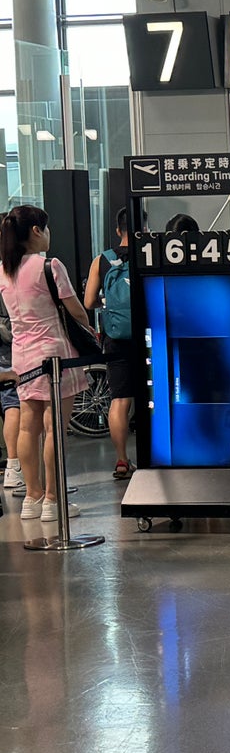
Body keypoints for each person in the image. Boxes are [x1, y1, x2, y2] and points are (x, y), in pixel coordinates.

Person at [0, 206, 93, 521]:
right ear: (36, 231)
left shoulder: (3, 270)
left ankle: (32, 497)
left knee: (28, 426)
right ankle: (54, 500)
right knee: (55, 429)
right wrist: (91, 328)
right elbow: (75, 309)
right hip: (54, 355)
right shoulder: (49, 266)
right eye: (47, 229)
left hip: (22, 356)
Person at [84, 207, 137, 480]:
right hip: (149, 334)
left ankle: (121, 460)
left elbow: (89, 302)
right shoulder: (149, 254)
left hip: (115, 338)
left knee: (119, 400)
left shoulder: (101, 260)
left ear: (118, 230)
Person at [0, 296, 22, 491]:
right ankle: (15, 466)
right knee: (14, 406)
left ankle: (13, 466)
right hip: (14, 349)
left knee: (10, 406)